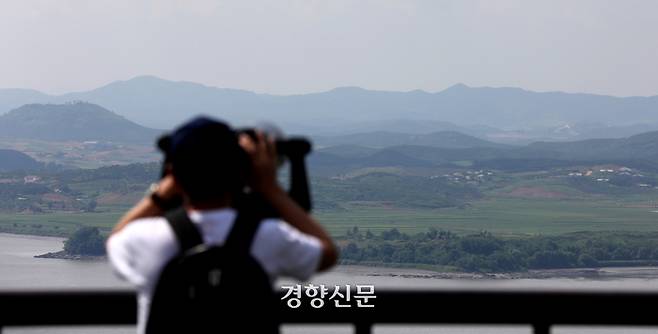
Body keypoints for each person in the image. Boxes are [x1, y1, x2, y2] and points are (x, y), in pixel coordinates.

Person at [106, 117, 338, 334]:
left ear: (173, 173)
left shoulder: (147, 239)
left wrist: (162, 193)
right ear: (240, 173)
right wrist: (270, 188)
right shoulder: (268, 236)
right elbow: (326, 252)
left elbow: (116, 238)